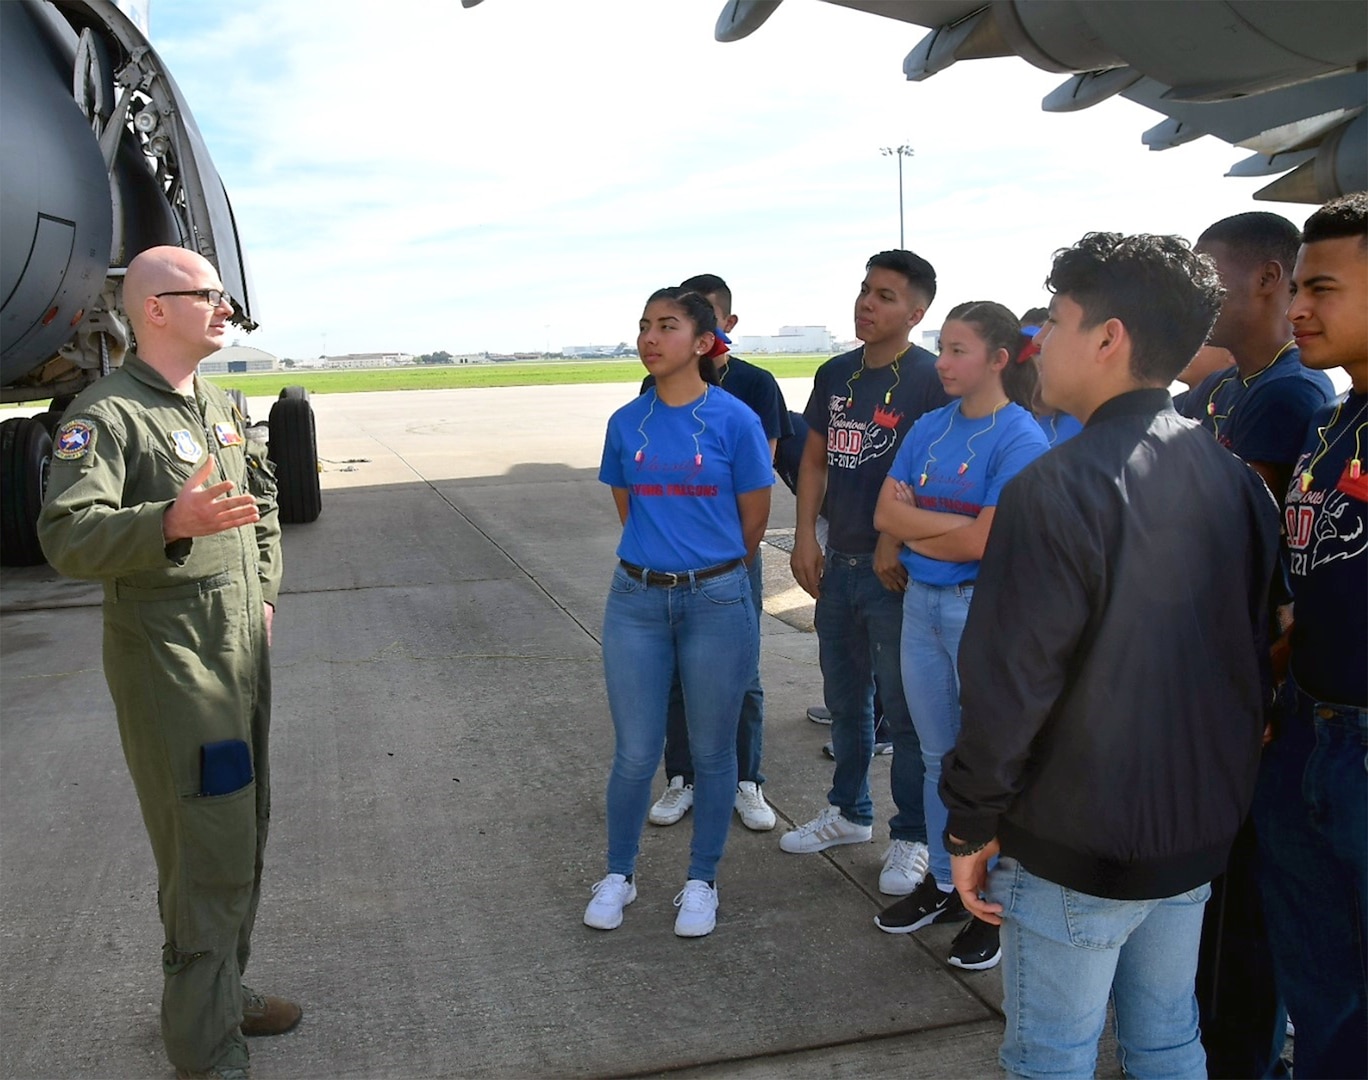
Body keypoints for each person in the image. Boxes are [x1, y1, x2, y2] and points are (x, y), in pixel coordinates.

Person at [941, 232, 1281, 1077]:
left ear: (1107, 338)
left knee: (1051, 1053)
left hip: (1075, 842)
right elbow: (1256, 649)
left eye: (1054, 322)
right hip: (1193, 838)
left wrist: (971, 818)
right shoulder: (1232, 476)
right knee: (1167, 1039)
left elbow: (1010, 685)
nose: (1037, 345)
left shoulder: (1053, 487)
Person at [37, 246, 299, 1080]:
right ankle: (202, 1043)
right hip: (176, 668)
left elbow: (261, 506)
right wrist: (167, 521)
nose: (229, 309)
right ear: (155, 308)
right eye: (210, 296)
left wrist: (264, 596)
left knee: (244, 832)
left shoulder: (220, 401)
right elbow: (66, 535)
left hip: (238, 655)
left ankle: (225, 990)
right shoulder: (106, 416)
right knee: (205, 844)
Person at [1188, 210, 1335, 1079]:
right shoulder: (1227, 391)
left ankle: (1241, 1057)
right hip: (1222, 680)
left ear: (1268, 281)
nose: (1206, 297)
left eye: (1215, 277)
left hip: (1258, 690)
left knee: (1252, 914)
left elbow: (1270, 566)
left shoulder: (1292, 395)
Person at [586, 287, 773, 938]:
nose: (649, 337)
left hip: (716, 600)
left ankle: (701, 881)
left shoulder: (735, 422)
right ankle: (619, 874)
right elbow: (628, 509)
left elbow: (754, 519)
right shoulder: (624, 423)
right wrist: (660, 562)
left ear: (702, 342)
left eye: (666, 326)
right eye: (643, 325)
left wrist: (707, 570)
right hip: (636, 601)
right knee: (636, 754)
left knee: (715, 752)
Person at [870, 302, 1048, 972]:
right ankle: (946, 884)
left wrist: (922, 521)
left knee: (986, 761)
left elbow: (985, 539)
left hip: (981, 609)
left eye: (958, 350)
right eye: (940, 348)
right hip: (921, 602)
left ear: (999, 359)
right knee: (937, 751)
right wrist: (952, 524)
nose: (942, 362)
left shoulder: (1021, 438)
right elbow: (884, 509)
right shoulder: (929, 427)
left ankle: (991, 908)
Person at [781, 250, 950, 899]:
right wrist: (803, 537)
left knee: (904, 712)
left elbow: (931, 473)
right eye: (864, 290)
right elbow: (816, 462)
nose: (867, 304)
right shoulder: (834, 373)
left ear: (916, 311)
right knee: (847, 701)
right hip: (838, 564)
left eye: (884, 295)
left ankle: (911, 836)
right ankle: (849, 813)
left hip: (894, 574)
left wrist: (891, 536)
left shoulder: (930, 380)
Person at [1254, 191, 1367, 1079]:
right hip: (1305, 735)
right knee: (1320, 983)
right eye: (1297, 286)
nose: (1298, 307)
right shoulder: (1330, 422)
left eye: (1322, 287)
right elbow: (1321, 588)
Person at [644, 274, 791, 833]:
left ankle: (745, 779)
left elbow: (757, 478)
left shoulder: (754, 385)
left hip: (731, 555)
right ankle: (682, 776)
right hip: (669, 559)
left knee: (740, 670)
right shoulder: (651, 386)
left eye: (701, 315)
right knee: (677, 670)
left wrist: (733, 557)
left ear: (723, 325)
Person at [1190, 211, 1336, 499]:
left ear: (1266, 279)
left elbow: (1235, 517)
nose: (1195, 294)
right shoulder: (1216, 386)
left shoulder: (1290, 388)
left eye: (1205, 276)